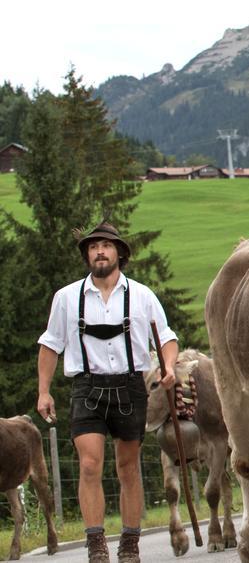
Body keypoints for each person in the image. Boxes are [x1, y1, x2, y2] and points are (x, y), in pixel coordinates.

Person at [36, 222, 178, 563]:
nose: (99, 251)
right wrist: (44, 391)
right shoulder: (66, 297)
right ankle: (96, 543)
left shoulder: (142, 295)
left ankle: (130, 543)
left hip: (130, 387)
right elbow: (50, 344)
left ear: (119, 253)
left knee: (128, 467)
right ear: (87, 255)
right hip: (87, 388)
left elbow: (166, 338)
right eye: (93, 246)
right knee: (89, 465)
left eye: (106, 245)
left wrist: (169, 366)